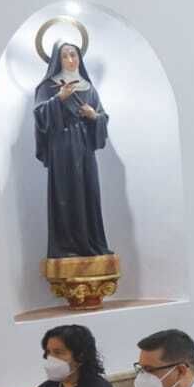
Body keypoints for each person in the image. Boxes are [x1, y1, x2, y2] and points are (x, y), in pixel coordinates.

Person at [34, 41, 112, 259]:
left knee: (89, 192)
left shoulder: (88, 87)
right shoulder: (48, 86)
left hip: (85, 149)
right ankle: (67, 246)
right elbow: (40, 115)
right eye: (65, 56)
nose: (70, 60)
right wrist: (59, 99)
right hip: (62, 148)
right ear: (57, 60)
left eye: (74, 55)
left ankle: (91, 242)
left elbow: (102, 116)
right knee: (65, 194)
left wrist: (93, 116)